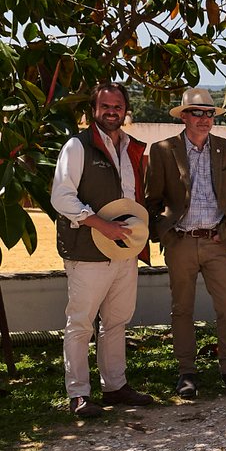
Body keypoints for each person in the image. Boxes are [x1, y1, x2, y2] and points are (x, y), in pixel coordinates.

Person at [51, 83, 153, 417]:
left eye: (118, 106)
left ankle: (115, 386)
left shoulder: (130, 147)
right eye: (105, 106)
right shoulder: (77, 146)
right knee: (80, 324)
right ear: (94, 109)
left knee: (117, 321)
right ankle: (78, 394)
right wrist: (100, 224)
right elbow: (61, 197)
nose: (112, 111)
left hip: (124, 250)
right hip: (86, 250)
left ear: (126, 109)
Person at [145, 88, 226, 398]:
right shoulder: (163, 150)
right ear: (184, 116)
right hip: (181, 241)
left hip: (217, 242)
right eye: (197, 113)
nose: (204, 119)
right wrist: (166, 232)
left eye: (209, 114)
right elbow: (153, 198)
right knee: (181, 309)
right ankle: (187, 373)